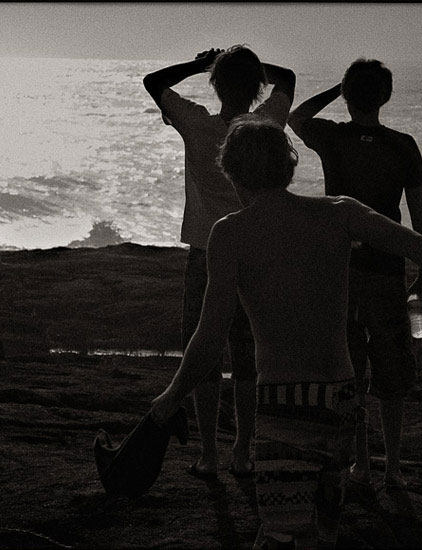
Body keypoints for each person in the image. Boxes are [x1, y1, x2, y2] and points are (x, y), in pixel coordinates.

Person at [148, 117, 422, 549]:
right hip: (341, 400)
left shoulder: (231, 234)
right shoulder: (338, 214)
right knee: (322, 531)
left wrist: (168, 400)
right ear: (288, 167)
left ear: (233, 173)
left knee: (282, 532)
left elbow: (208, 337)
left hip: (284, 404)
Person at [143, 45, 296, 478]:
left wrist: (200, 63)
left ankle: (209, 454)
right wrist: (250, 66)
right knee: (249, 358)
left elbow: (153, 82)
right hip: (258, 253)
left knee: (203, 354)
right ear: (256, 88)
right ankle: (243, 452)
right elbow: (289, 78)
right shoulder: (267, 124)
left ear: (215, 86)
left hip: (208, 254)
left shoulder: (196, 124)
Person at [287, 59, 422, 491]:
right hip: (388, 270)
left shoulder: (333, 137)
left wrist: (338, 89)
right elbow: (419, 216)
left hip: (342, 271)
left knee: (350, 372)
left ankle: (362, 466)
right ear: (386, 97)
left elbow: (296, 117)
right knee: (392, 376)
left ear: (349, 96)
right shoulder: (403, 144)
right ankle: (393, 468)